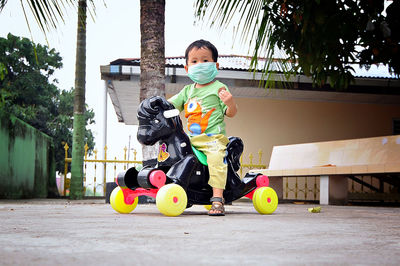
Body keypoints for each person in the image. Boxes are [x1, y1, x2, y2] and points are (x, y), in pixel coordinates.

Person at [168, 39, 237, 216]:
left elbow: (230, 113)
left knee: (216, 160)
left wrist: (230, 103)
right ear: (187, 68)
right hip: (190, 139)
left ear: (216, 65)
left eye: (205, 61)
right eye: (195, 61)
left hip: (213, 139)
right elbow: (170, 106)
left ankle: (217, 199)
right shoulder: (187, 91)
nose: (200, 65)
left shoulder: (219, 88)